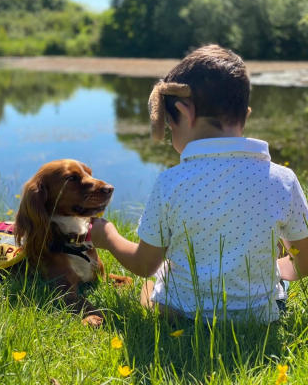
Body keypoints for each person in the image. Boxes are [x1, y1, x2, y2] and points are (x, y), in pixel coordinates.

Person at [91, 45, 308, 323]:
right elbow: (303, 264)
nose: (171, 137)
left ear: (185, 112)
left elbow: (145, 264)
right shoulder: (282, 180)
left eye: (171, 127)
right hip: (258, 317)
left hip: (181, 314)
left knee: (154, 279)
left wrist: (107, 237)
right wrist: (267, 271)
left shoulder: (171, 181)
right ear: (245, 115)